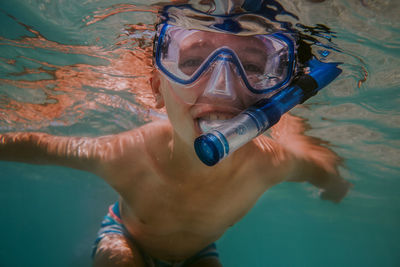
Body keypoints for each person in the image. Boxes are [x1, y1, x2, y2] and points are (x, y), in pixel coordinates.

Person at [0, 2, 352, 267]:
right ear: (156, 87)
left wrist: (331, 181)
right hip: (125, 236)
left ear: (280, 93)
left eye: (255, 67)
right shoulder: (127, 154)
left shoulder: (270, 164)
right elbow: (41, 146)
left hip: (201, 251)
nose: (223, 90)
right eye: (191, 61)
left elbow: (316, 167)